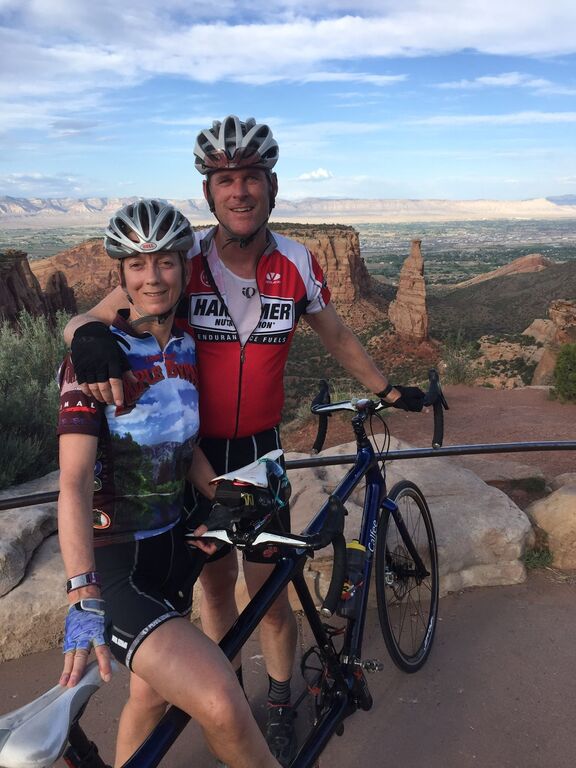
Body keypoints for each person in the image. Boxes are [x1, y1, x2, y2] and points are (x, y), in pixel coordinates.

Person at [63, 116, 425, 766]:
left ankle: (280, 696)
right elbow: (95, 318)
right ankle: (223, 694)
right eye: (225, 179)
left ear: (271, 185)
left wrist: (387, 388)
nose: (239, 191)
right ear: (209, 193)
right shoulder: (182, 261)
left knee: (274, 594)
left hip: (260, 458)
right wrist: (87, 337)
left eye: (251, 177)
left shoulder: (297, 261)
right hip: (196, 463)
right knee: (213, 589)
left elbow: (337, 334)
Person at [57, 198, 281, 768]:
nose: (152, 277)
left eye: (164, 262)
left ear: (184, 268)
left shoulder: (181, 346)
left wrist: (236, 501)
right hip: (118, 569)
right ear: (121, 276)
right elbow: (75, 483)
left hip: (175, 552)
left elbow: (184, 451)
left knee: (150, 698)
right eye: (137, 265)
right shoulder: (95, 361)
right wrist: (82, 596)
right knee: (221, 702)